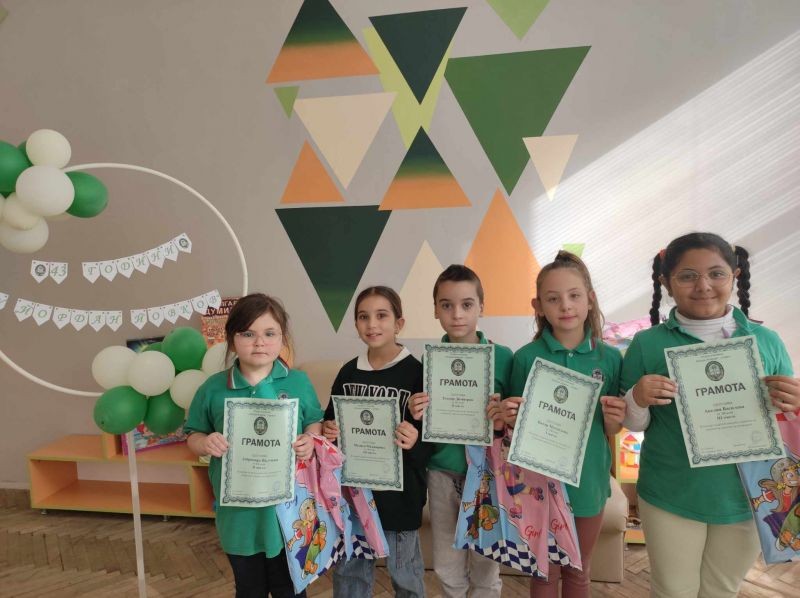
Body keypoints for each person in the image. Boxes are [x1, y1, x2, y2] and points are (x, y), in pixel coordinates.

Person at [621, 232, 800, 598]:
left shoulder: (766, 341)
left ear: (734, 276)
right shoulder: (648, 343)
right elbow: (633, 423)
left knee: (721, 590)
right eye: (687, 276)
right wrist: (637, 397)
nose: (703, 286)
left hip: (748, 496)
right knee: (673, 592)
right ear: (667, 283)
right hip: (671, 492)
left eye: (716, 274)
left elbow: (784, 422)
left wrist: (793, 401)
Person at [502, 251, 626, 598]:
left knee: (578, 572)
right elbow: (514, 428)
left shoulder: (610, 358)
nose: (565, 306)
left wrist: (615, 422)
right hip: (537, 483)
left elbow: (611, 430)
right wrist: (509, 417)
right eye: (553, 299)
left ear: (590, 300)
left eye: (574, 296)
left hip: (588, 482)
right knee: (543, 574)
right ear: (538, 306)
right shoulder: (526, 358)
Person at [185, 293, 323, 598]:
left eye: (269, 333)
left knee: (290, 589)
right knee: (249, 589)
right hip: (239, 514)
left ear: (282, 338)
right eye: (248, 334)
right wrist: (205, 442)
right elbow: (192, 434)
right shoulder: (213, 388)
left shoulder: (298, 382)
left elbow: (314, 421)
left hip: (289, 511)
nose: (259, 342)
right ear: (232, 340)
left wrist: (310, 439)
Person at [408, 264, 511, 598]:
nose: (457, 314)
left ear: (482, 306)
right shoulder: (429, 361)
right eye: (447, 305)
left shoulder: (503, 358)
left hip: (487, 475)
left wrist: (502, 418)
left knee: (486, 563)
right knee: (447, 564)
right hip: (441, 472)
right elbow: (418, 425)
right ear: (435, 310)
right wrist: (415, 410)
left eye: (467, 304)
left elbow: (516, 422)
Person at [322, 286, 432, 598]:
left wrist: (415, 440)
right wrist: (329, 430)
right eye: (363, 317)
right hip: (354, 494)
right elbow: (331, 421)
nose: (372, 324)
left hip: (401, 496)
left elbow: (430, 440)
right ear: (356, 324)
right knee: (350, 575)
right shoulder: (348, 372)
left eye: (381, 315)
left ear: (399, 323)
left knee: (406, 576)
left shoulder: (419, 372)